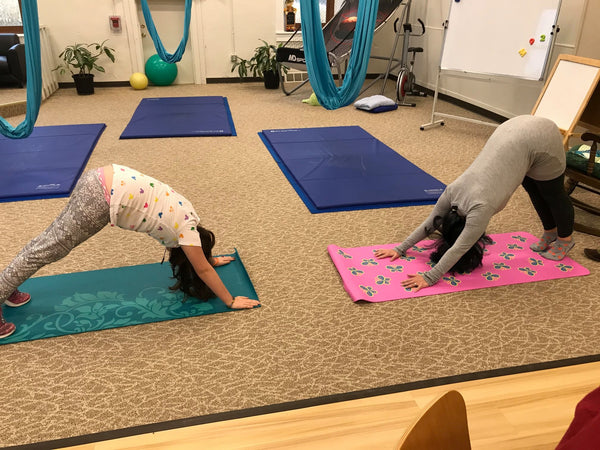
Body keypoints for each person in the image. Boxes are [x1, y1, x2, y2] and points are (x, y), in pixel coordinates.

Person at [0, 164, 259, 339]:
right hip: (102, 197)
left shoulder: (189, 214)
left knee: (47, 243)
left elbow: (200, 257)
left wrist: (211, 258)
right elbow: (200, 267)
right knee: (48, 248)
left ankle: (9, 286)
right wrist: (230, 300)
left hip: (102, 176)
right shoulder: (186, 234)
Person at [375, 115, 575, 292]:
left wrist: (430, 276)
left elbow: (460, 247)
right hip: (515, 131)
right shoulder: (452, 190)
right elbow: (430, 223)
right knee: (534, 189)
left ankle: (565, 240)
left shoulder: (480, 208)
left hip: (543, 138)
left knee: (553, 194)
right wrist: (400, 248)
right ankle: (550, 232)